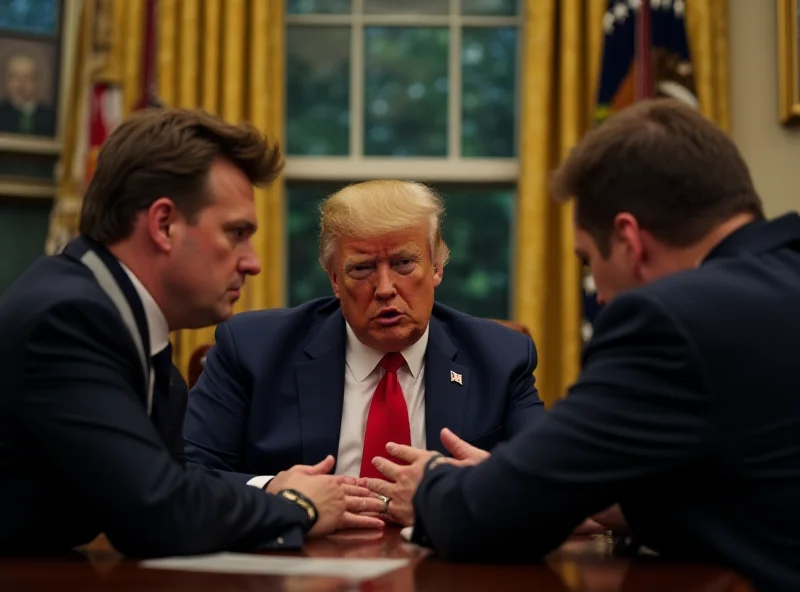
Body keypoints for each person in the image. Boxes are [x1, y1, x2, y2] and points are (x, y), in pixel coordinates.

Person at [370, 99, 800, 590]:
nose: (599, 289)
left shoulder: (670, 321)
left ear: (629, 240)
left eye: (587, 261)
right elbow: (753, 486)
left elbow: (485, 518)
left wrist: (434, 487)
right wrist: (550, 486)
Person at [0, 108, 350, 557]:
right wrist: (297, 506)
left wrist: (275, 489)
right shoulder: (69, 319)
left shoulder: (130, 327)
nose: (252, 261)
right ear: (163, 224)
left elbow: (175, 478)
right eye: (236, 233)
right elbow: (158, 511)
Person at [184, 180, 544, 527]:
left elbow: (555, 483)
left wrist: (482, 486)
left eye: (404, 263)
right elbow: (187, 472)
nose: (385, 288)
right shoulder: (253, 349)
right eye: (362, 268)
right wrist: (276, 491)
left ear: (436, 268)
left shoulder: (500, 358)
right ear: (335, 280)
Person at [0, 53, 56, 136]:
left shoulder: (50, 117)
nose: (21, 84)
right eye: (15, 77)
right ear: (7, 81)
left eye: (27, 78)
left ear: (37, 82)